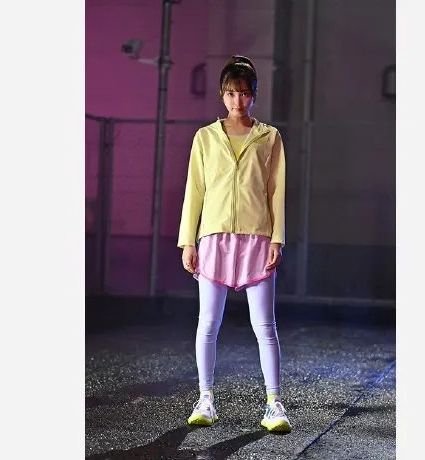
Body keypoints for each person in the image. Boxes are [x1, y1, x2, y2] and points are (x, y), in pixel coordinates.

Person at [177, 55, 291, 432]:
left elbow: (276, 191)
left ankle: (274, 404)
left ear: (254, 95)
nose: (237, 101)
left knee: (265, 326)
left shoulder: (270, 137)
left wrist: (277, 238)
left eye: (244, 93)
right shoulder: (205, 137)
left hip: (257, 238)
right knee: (208, 323)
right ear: (221, 94)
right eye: (230, 93)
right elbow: (195, 190)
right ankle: (205, 398)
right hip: (213, 238)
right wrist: (188, 241)